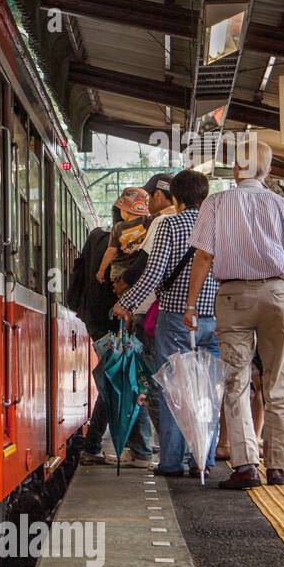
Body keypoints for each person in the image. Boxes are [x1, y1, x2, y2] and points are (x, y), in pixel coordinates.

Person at [184, 137, 284, 489]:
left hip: (233, 296)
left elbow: (205, 257)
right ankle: (278, 467)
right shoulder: (283, 207)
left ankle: (245, 466)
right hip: (276, 294)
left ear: (237, 168)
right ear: (267, 169)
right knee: (276, 379)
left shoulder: (217, 204)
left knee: (237, 381)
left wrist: (191, 304)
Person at [115, 169, 220, 478]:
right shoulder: (217, 225)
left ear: (175, 197)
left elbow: (153, 273)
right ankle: (204, 457)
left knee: (173, 389)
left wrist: (126, 303)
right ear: (204, 196)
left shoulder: (170, 224)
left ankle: (172, 461)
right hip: (213, 318)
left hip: (175, 318)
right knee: (206, 390)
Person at [70, 222, 152, 464]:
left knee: (115, 379)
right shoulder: (138, 239)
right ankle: (139, 449)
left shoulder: (96, 238)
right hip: (118, 321)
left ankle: (94, 445)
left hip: (97, 323)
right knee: (128, 380)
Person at [97, 187, 150, 287]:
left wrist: (101, 271)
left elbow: (111, 251)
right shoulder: (148, 222)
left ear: (124, 210)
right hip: (139, 270)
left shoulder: (118, 227)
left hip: (119, 271)